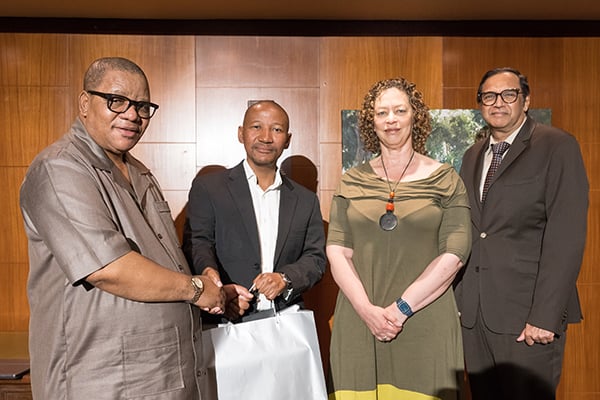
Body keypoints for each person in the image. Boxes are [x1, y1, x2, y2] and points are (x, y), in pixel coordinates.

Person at [19, 57, 226, 399]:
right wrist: (196, 289)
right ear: (85, 103)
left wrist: (211, 286)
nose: (132, 115)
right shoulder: (60, 168)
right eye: (116, 101)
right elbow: (107, 268)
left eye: (142, 106)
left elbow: (165, 261)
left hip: (162, 375)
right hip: (102, 380)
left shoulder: (140, 172)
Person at [326, 77, 472, 400]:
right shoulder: (350, 182)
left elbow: (456, 252)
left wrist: (402, 308)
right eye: (381, 113)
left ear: (415, 117)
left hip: (425, 322)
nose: (390, 119)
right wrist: (367, 311)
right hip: (359, 325)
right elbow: (337, 252)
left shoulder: (446, 179)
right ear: (371, 121)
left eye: (399, 110)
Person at [455, 67, 589, 400]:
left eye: (508, 94)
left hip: (528, 319)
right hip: (476, 318)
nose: (498, 102)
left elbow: (566, 237)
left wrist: (544, 316)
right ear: (480, 104)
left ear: (525, 100)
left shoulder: (557, 146)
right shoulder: (472, 156)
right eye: (489, 96)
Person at [182, 100, 326, 322]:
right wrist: (217, 288)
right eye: (256, 127)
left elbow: (315, 258)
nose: (266, 137)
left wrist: (285, 279)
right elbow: (198, 244)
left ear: (287, 140)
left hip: (286, 320)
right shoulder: (209, 188)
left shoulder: (306, 200)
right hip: (226, 318)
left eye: (276, 129)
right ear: (241, 133)